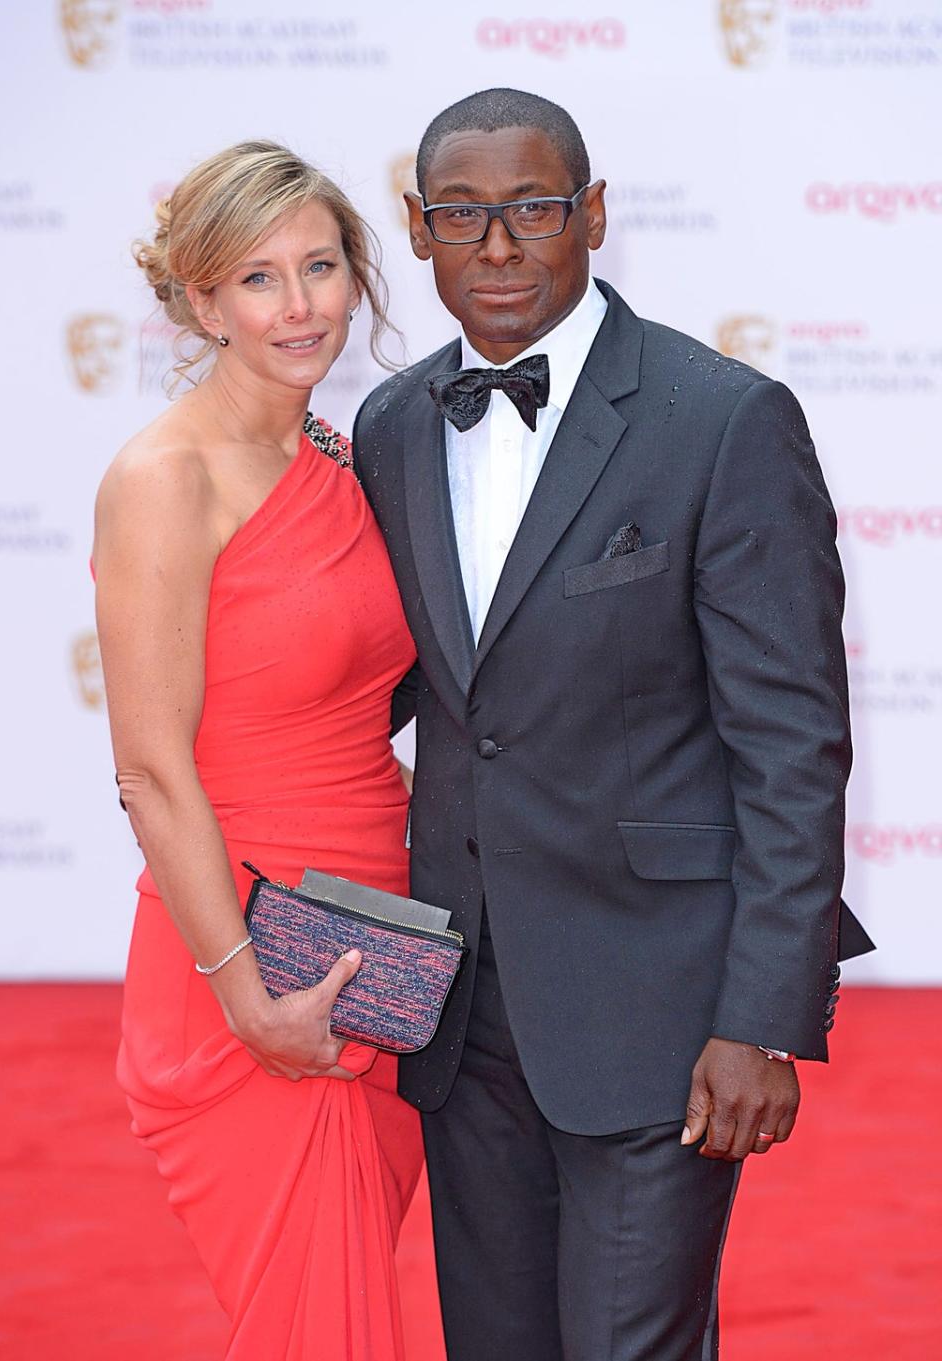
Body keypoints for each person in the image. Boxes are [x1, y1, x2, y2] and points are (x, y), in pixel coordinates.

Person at [353, 89, 875, 1361]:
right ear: (418, 232)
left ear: (591, 214)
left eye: (532, 207)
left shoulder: (723, 418)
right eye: (463, 215)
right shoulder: (389, 427)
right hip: (464, 1013)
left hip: (662, 1007)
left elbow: (793, 745)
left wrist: (763, 1013)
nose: (498, 245)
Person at [94, 140, 433, 1361]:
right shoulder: (163, 479)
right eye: (257, 278)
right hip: (250, 954)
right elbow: (149, 768)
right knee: (321, 1327)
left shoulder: (340, 458)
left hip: (381, 950)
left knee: (339, 1311)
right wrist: (248, 996)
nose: (300, 307)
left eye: (321, 267)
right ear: (201, 301)